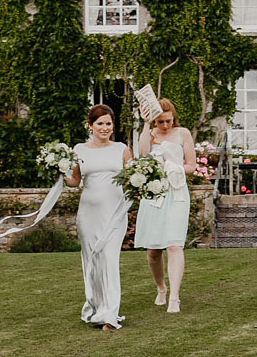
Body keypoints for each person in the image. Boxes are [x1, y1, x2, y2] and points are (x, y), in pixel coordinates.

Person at [64, 104, 133, 332]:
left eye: (108, 123)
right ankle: (95, 306)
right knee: (92, 261)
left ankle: (109, 315)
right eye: (100, 123)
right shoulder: (79, 150)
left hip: (114, 212)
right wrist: (60, 170)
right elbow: (74, 181)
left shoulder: (122, 149)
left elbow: (133, 178)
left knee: (109, 259)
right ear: (90, 126)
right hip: (88, 213)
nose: (104, 128)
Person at [134, 98, 196, 314]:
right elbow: (142, 155)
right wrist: (144, 125)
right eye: (160, 122)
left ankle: (175, 298)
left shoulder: (183, 134)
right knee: (153, 250)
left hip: (176, 192)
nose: (165, 125)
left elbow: (191, 166)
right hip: (154, 193)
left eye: (168, 121)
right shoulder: (149, 135)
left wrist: (172, 167)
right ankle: (161, 287)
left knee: (174, 245)